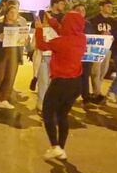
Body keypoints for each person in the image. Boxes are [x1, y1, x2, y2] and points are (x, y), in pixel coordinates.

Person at [35, 11, 87, 161]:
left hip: (60, 83)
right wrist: (51, 19)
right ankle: (61, 149)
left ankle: (54, 146)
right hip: (76, 83)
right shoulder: (81, 39)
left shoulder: (61, 42)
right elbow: (63, 29)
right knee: (62, 115)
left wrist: (39, 29)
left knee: (47, 112)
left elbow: (41, 45)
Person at [0, 5, 25, 109]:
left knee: (10, 78)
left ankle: (4, 99)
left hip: (14, 56)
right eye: (11, 12)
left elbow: (21, 43)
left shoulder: (18, 27)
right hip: (1, 54)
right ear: (7, 14)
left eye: (15, 13)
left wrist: (24, 41)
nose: (13, 15)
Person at [89, 0, 114, 102]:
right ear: (101, 7)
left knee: (103, 71)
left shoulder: (113, 21)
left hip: (108, 49)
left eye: (111, 7)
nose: (110, 9)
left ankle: (96, 91)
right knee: (96, 71)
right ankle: (97, 93)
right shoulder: (93, 20)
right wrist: (100, 35)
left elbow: (116, 34)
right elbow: (89, 34)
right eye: (108, 6)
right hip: (96, 49)